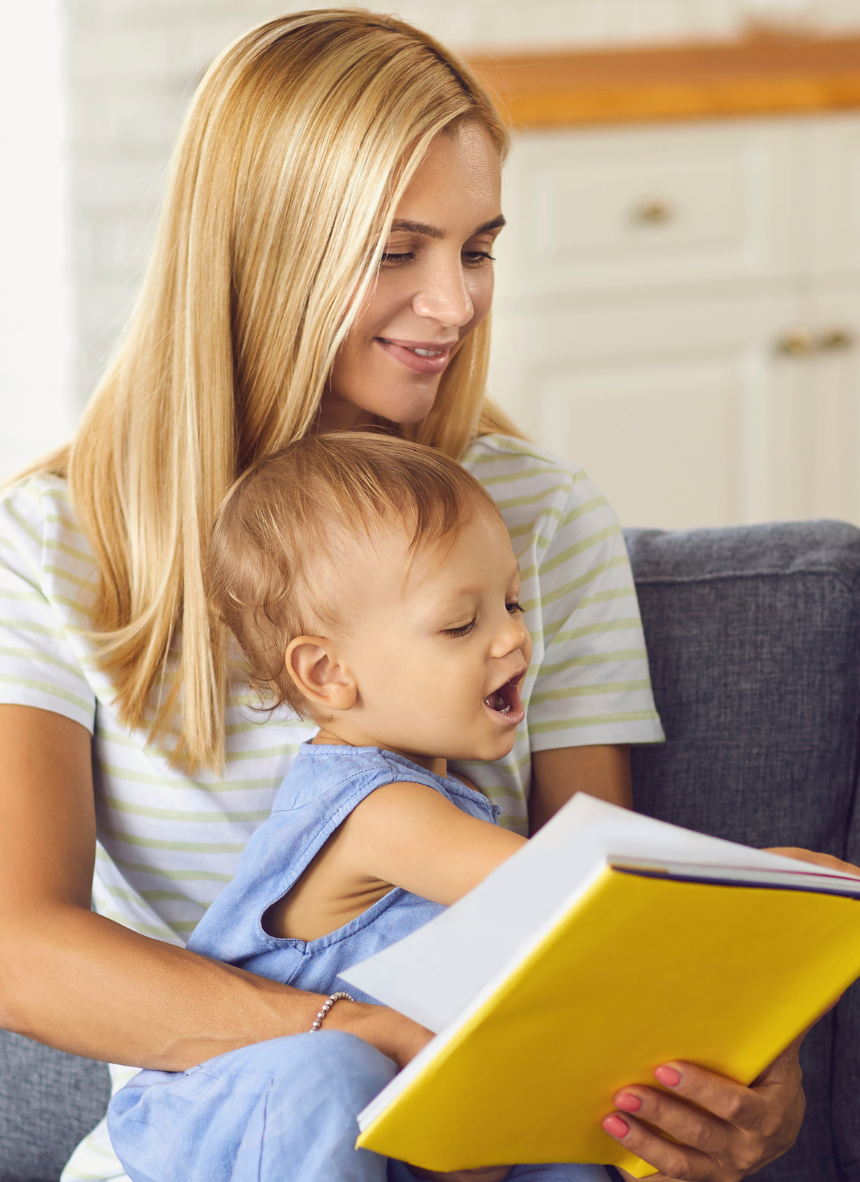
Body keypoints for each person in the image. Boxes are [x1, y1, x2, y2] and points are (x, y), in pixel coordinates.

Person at [0, 9, 808, 1182]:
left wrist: (739, 1069)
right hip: (229, 1137)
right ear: (261, 249)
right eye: (396, 252)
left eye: (476, 248)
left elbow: (586, 907)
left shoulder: (537, 518)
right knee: (318, 1091)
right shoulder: (50, 542)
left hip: (471, 1132)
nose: (453, 304)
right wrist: (372, 1044)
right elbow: (26, 960)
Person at [106, 430, 602, 1181]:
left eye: (512, 601)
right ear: (329, 672)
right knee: (330, 1072)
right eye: (461, 624)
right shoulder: (381, 811)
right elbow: (576, 890)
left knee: (557, 1147)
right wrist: (756, 880)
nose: (515, 638)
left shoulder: (450, 808)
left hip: (365, 1130)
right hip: (226, 1116)